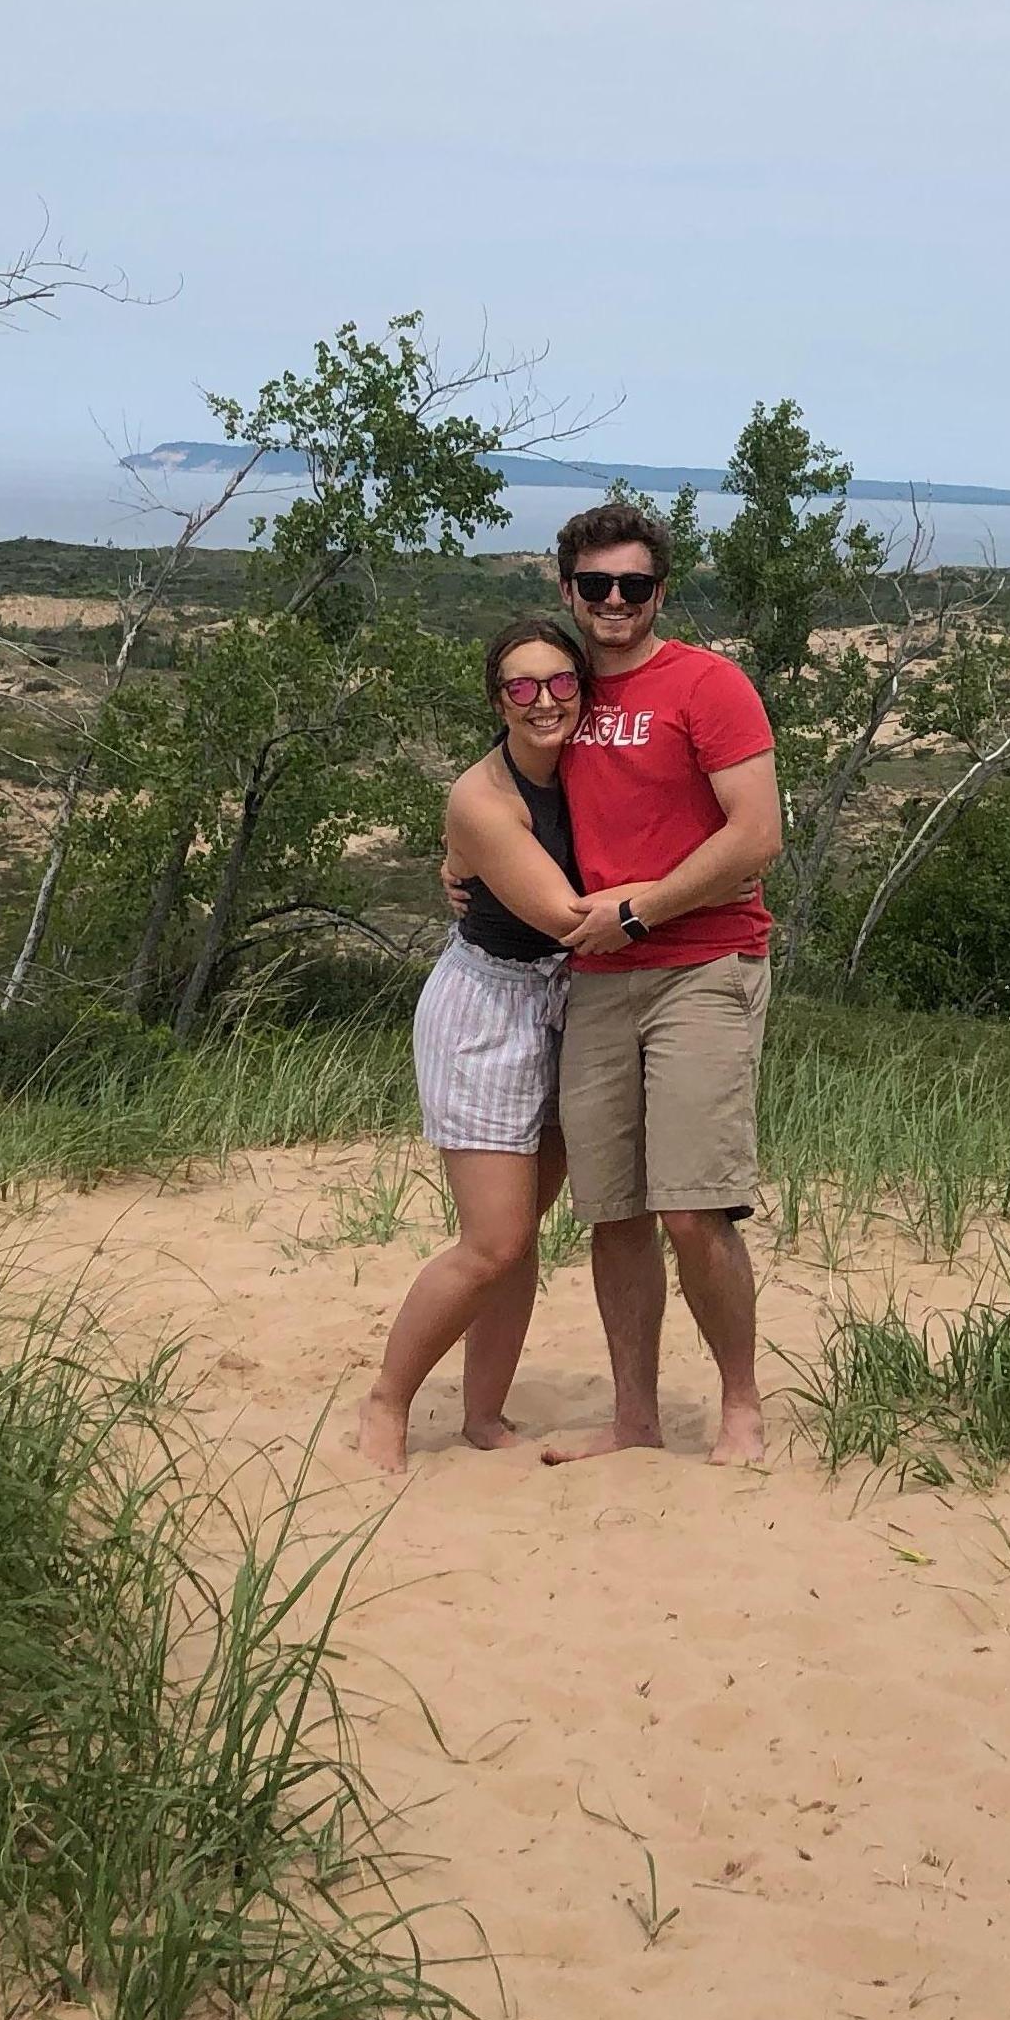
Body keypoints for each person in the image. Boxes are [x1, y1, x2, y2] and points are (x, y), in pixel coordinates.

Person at [539, 500, 783, 1467]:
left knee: (694, 1205)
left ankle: (740, 1406)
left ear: (659, 592)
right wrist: (462, 856)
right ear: (567, 591)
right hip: (597, 975)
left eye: (633, 586)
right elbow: (505, 789)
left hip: (704, 963)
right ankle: (633, 1417)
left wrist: (643, 907)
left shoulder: (709, 686)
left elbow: (755, 835)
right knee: (615, 1209)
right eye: (595, 586)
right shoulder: (556, 693)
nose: (613, 602)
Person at [358, 618, 594, 1474]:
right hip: (490, 1005)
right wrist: (695, 893)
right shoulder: (482, 798)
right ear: (497, 699)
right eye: (521, 687)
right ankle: (388, 1399)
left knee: (523, 1235)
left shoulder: (595, 771)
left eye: (561, 682)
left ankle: (483, 1411)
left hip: (575, 1004)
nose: (543, 701)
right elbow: (568, 915)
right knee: (491, 1240)